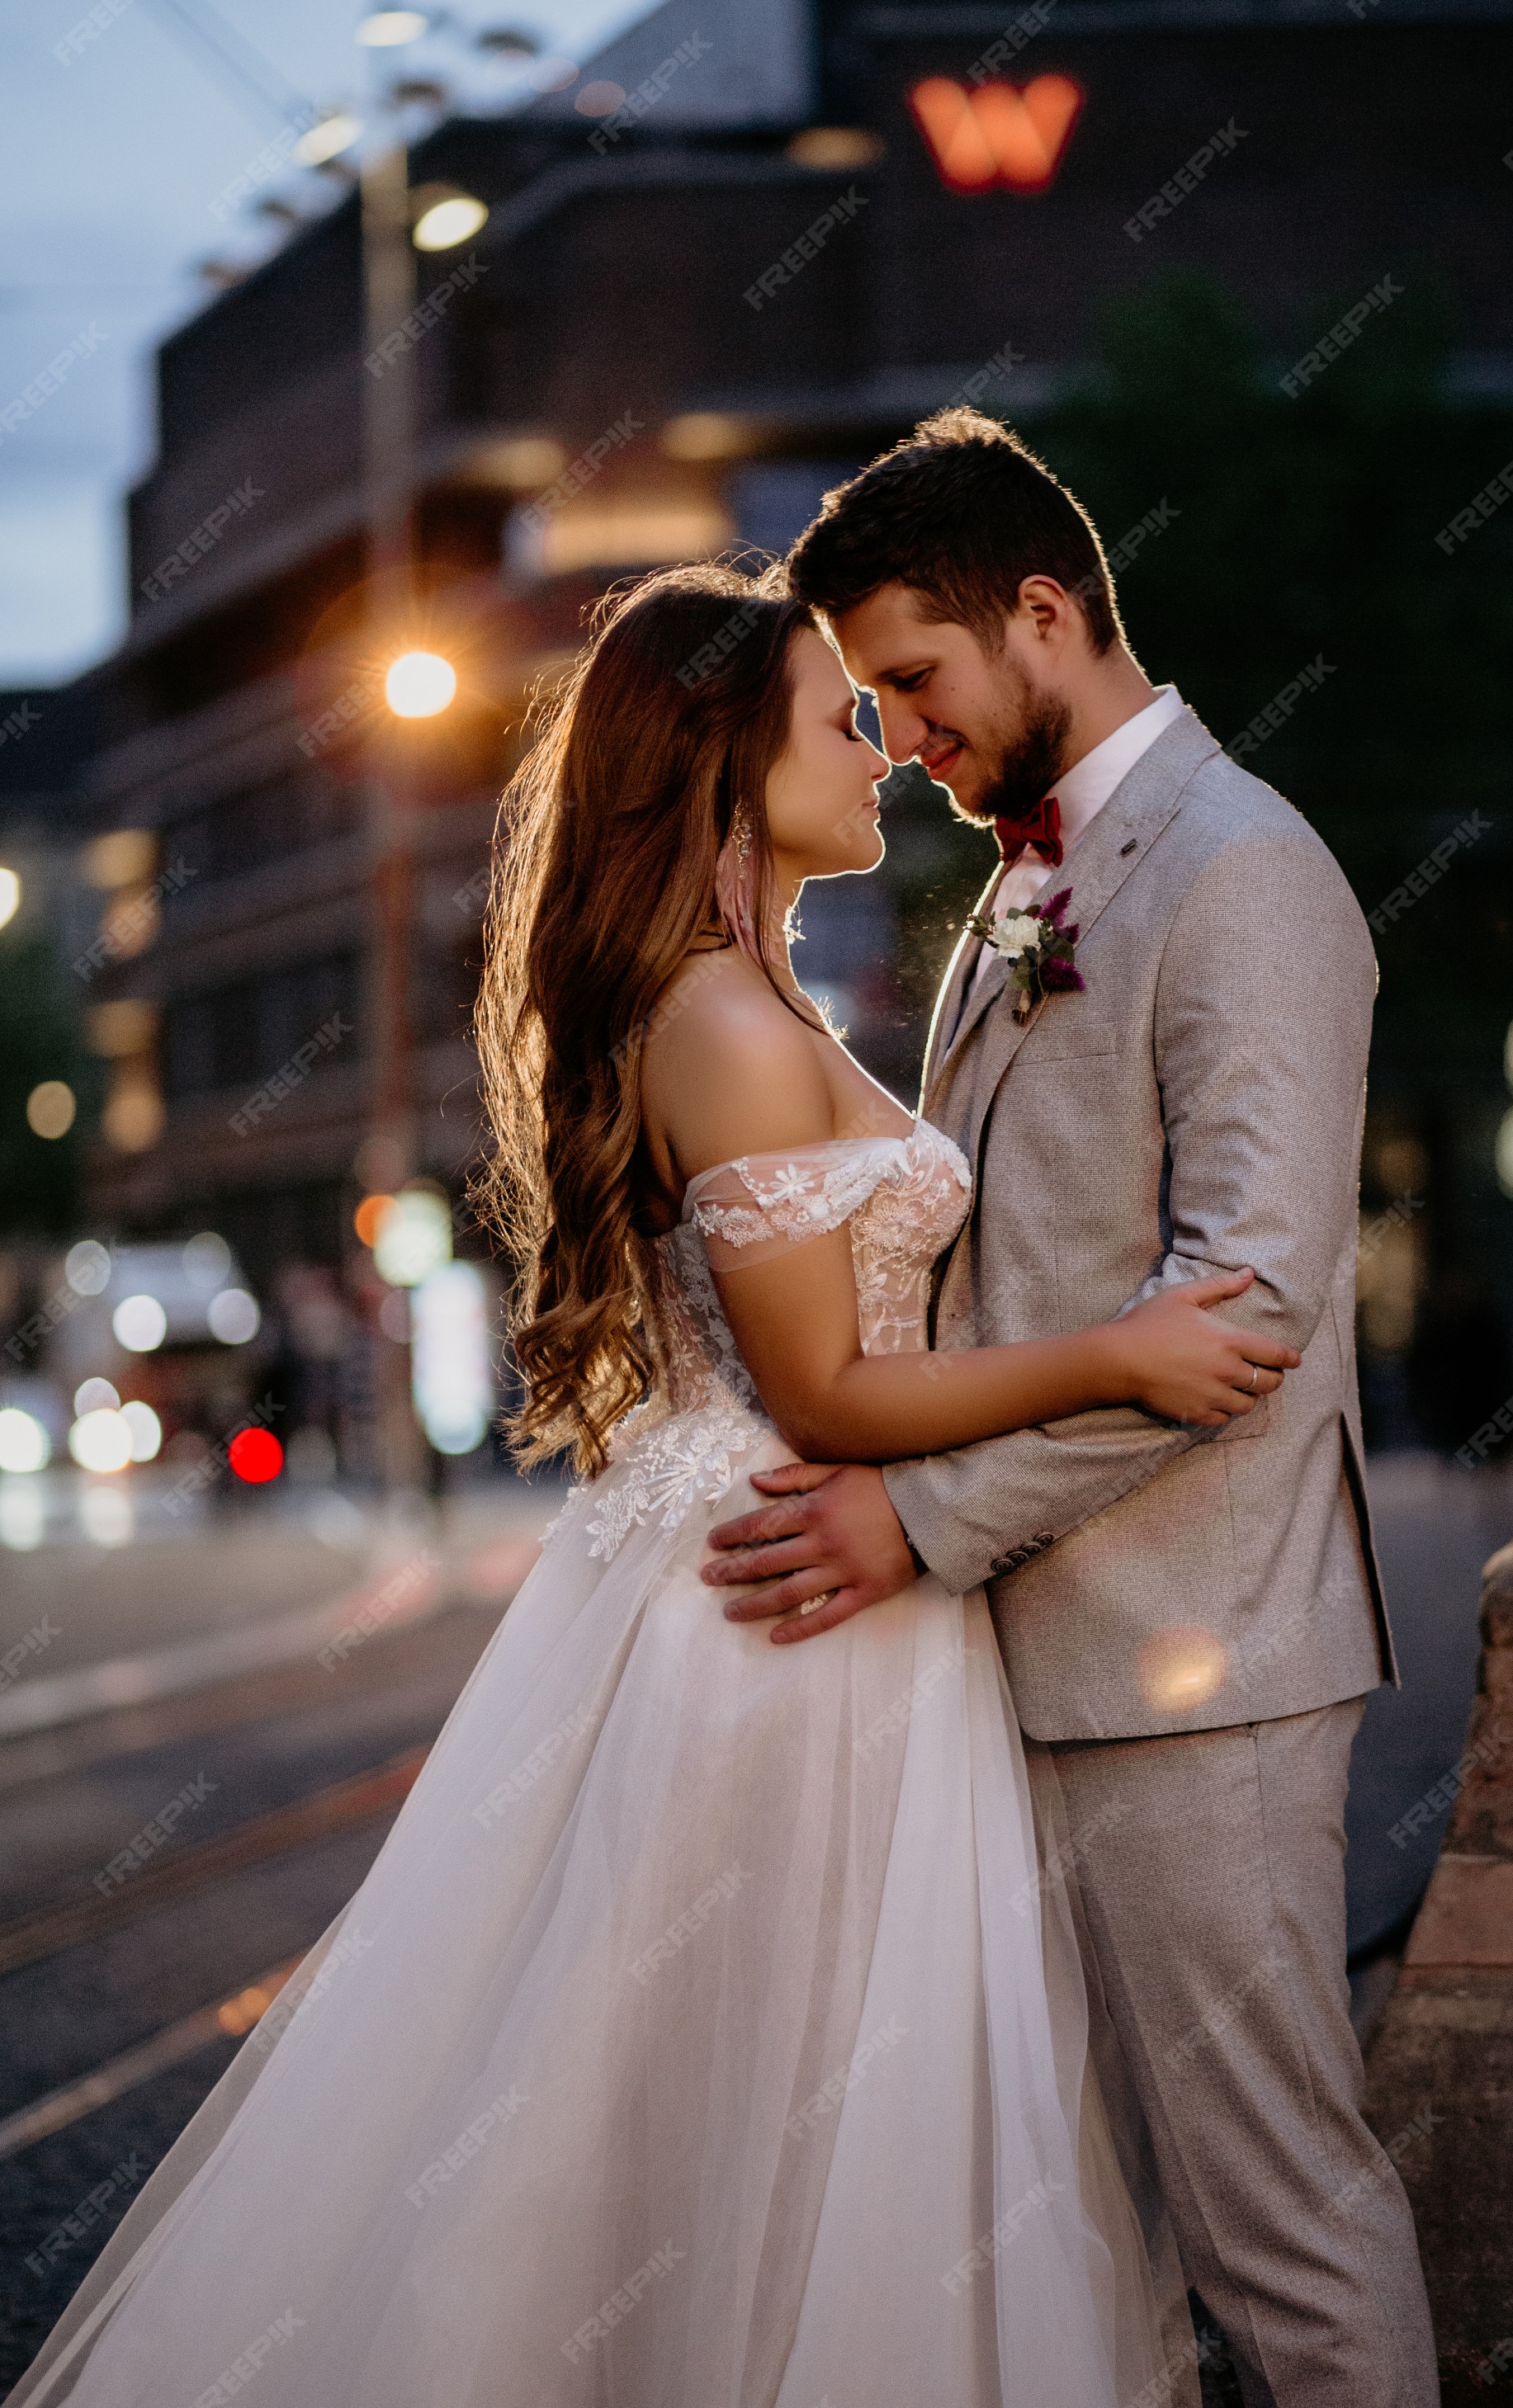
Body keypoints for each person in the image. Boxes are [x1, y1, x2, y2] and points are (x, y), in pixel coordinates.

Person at [11, 562, 1301, 2408]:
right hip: (777, 1616)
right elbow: (826, 1389)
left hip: (813, 1592)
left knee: (763, 2101)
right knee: (728, 2110)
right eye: (837, 719)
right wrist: (1122, 1353)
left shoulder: (753, 1004)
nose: (877, 749)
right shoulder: (718, 1024)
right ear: (719, 760)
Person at [703, 408, 1440, 2407]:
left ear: (1043, 612)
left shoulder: (1241, 876)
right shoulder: (1025, 885)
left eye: (918, 686)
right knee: (1089, 2229)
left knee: (1275, 2220)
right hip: (1007, 1677)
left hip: (1187, 1679)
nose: (907, 739)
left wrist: (914, 1518)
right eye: (871, 706)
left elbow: (1251, 1307)